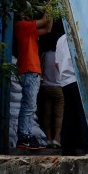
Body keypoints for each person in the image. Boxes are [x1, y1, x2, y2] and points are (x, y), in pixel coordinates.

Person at [14, 8, 53, 149]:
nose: (30, 16)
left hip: (33, 70)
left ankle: (27, 135)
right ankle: (24, 136)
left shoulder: (29, 31)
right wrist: (51, 6)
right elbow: (44, 21)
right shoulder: (21, 25)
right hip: (29, 69)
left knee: (31, 106)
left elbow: (48, 28)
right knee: (28, 106)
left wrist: (51, 11)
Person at [56, 34, 88, 155]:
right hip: (77, 79)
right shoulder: (80, 34)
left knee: (68, 115)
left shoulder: (60, 39)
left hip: (65, 82)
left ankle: (67, 149)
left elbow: (57, 64)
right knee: (83, 113)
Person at [38, 46, 64, 149]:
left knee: (47, 114)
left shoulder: (44, 54)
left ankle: (48, 139)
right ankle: (56, 139)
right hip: (58, 87)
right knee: (59, 114)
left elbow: (40, 68)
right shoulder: (60, 53)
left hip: (45, 86)